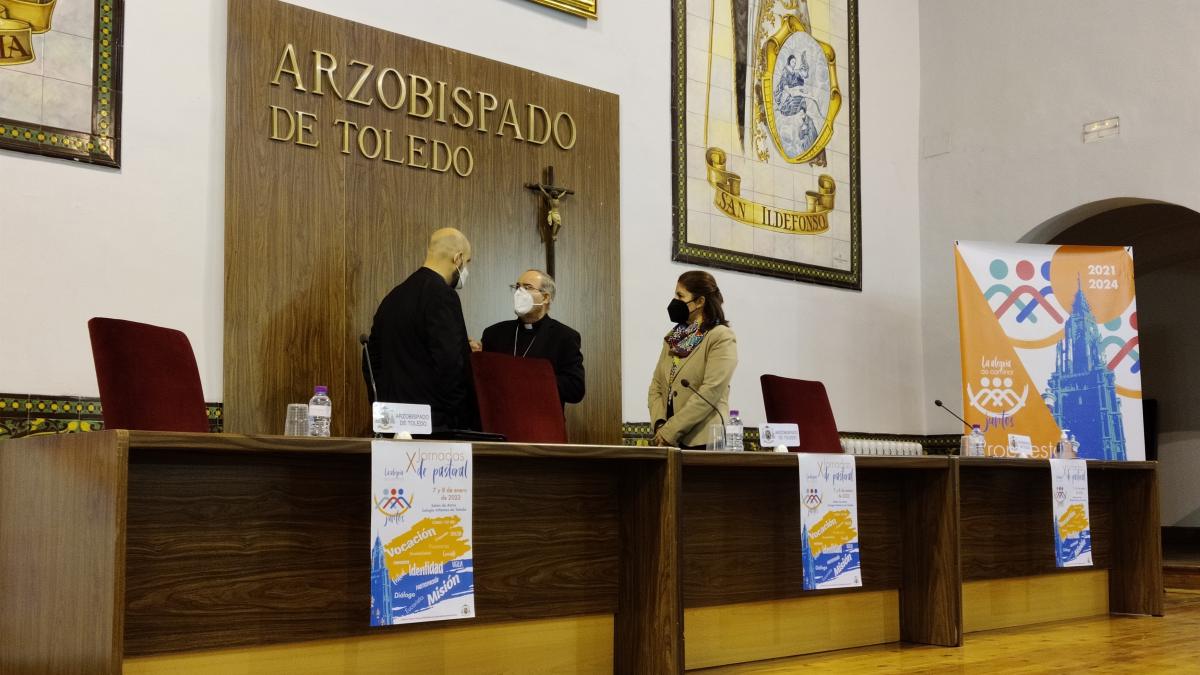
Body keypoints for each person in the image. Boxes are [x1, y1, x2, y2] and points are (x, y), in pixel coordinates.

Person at [366, 228, 479, 430]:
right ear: (458, 258)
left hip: (391, 422)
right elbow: (450, 364)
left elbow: (370, 360)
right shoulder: (443, 296)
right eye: (468, 262)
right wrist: (463, 421)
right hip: (434, 426)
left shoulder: (393, 297)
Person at [648, 271, 738, 448]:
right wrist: (660, 425)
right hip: (670, 442)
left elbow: (710, 392)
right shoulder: (673, 338)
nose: (674, 300)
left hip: (703, 441)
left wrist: (670, 431)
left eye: (680, 295)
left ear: (699, 302)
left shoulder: (720, 337)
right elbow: (656, 387)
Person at [480, 269, 585, 406]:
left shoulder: (565, 337)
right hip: (499, 422)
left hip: (542, 422)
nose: (519, 293)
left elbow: (575, 390)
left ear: (546, 297)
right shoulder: (493, 334)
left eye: (527, 287)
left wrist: (527, 379)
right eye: (517, 287)